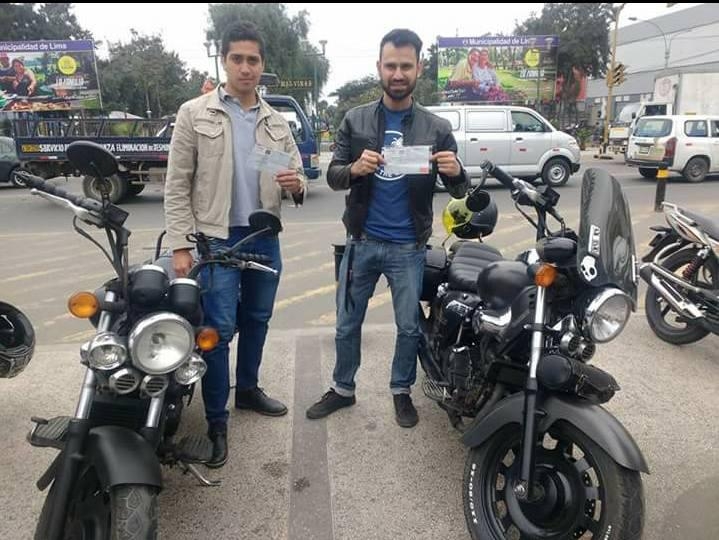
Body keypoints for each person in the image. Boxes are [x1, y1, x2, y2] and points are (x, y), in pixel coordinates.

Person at [306, 28, 470, 428]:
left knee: (409, 327)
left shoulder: (436, 127)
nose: (398, 74)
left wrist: (457, 172)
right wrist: (354, 168)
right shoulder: (355, 119)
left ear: (419, 69)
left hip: (409, 247)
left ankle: (401, 390)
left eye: (405, 66)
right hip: (361, 241)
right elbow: (333, 176)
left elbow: (459, 189)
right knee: (347, 325)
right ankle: (343, 388)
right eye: (391, 65)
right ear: (379, 67)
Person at [164, 22, 306, 468]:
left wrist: (296, 184)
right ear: (223, 61)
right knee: (219, 330)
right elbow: (177, 185)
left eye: (253, 60)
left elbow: (298, 177)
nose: (246, 68)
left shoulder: (275, 121)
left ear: (263, 65)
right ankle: (216, 420)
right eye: (237, 59)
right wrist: (181, 245)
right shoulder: (195, 113)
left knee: (258, 319)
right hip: (215, 238)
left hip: (264, 235)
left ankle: (247, 389)